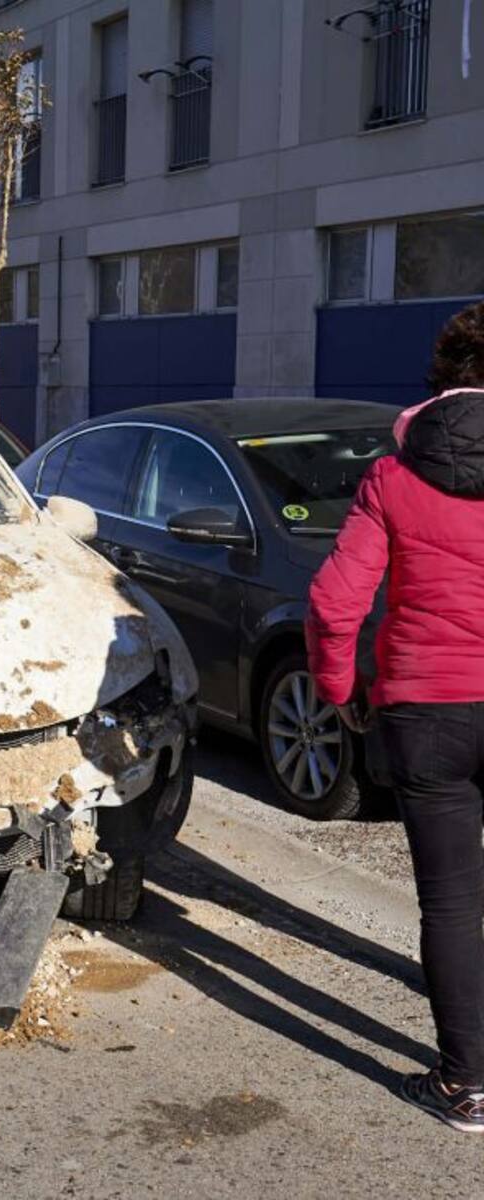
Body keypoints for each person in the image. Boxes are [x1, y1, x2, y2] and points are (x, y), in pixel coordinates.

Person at [306, 299, 484, 1133]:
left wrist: (341, 690)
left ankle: (465, 1084)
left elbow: (335, 602)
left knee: (451, 902)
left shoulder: (395, 474)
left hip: (426, 708)